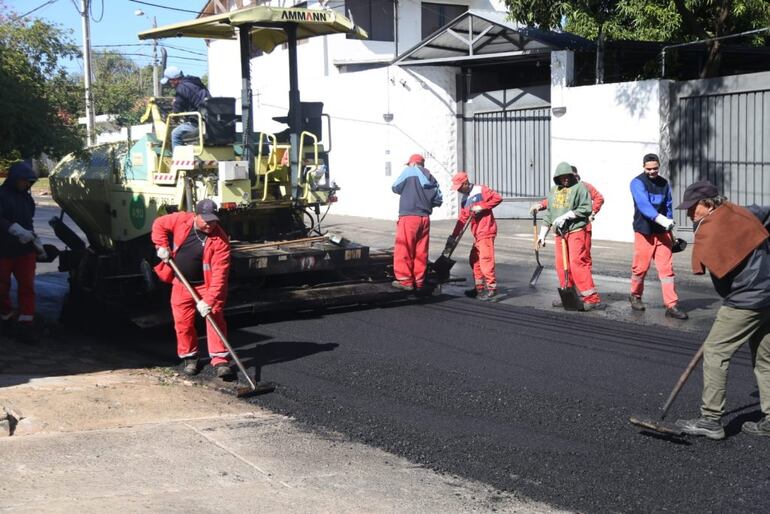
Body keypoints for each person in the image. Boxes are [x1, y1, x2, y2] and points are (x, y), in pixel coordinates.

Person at [674, 181, 770, 439]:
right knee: (765, 357)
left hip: (745, 299)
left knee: (716, 351)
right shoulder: (742, 212)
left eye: (692, 208)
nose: (689, 214)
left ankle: (711, 420)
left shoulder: (712, 230)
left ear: (707, 204)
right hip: (768, 294)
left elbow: (719, 276)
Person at [151, 199, 234, 379]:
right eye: (205, 220)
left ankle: (220, 360)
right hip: (182, 283)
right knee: (182, 322)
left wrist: (209, 300)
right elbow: (158, 224)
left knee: (214, 316)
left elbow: (220, 276)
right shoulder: (181, 220)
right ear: (195, 215)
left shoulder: (220, 240)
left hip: (208, 285)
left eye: (213, 220)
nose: (210, 224)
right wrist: (162, 246)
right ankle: (190, 357)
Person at [629, 153, 687, 319]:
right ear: (643, 167)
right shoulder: (637, 183)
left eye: (655, 168)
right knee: (640, 268)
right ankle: (635, 295)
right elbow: (643, 205)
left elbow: (668, 204)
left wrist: (669, 222)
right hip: (644, 231)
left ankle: (671, 305)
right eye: (649, 169)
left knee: (667, 270)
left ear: (659, 166)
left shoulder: (664, 183)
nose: (652, 171)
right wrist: (662, 220)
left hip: (662, 233)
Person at [537, 161, 602, 310]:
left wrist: (567, 216)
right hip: (560, 234)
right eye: (562, 177)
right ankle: (568, 295)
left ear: (572, 176)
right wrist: (542, 235)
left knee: (577, 263)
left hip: (575, 231)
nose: (565, 179)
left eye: (567, 176)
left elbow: (586, 208)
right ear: (557, 177)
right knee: (561, 266)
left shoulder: (580, 188)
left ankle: (591, 298)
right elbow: (549, 214)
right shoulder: (554, 191)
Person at [0, 161, 46, 343]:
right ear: (14, 179)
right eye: (24, 181)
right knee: (2, 286)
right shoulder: (2, 196)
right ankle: (6, 316)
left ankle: (26, 322)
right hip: (3, 249)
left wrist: (36, 242)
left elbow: (29, 223)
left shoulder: (27, 199)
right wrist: (12, 228)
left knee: (27, 286)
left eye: (30, 182)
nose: (27, 185)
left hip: (25, 250)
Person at [530, 165, 604, 271]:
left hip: (582, 225)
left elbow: (599, 198)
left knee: (582, 256)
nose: (568, 180)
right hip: (564, 227)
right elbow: (555, 202)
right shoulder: (562, 189)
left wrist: (592, 212)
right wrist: (540, 205)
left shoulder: (584, 186)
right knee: (566, 258)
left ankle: (583, 278)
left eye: (572, 177)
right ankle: (570, 283)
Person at [391, 153, 443, 291]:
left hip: (409, 217)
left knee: (404, 248)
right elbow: (438, 200)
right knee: (421, 250)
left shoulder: (409, 171)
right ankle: (419, 281)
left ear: (413, 163)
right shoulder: (430, 177)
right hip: (424, 218)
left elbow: (395, 187)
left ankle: (405, 281)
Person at [448, 171, 502, 300]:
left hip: (486, 230)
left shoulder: (481, 190)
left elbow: (498, 198)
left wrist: (482, 207)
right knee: (474, 260)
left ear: (466, 183)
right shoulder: (465, 199)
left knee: (485, 260)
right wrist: (453, 236)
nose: (459, 190)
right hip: (477, 233)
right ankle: (479, 288)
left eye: (460, 187)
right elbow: (462, 219)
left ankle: (492, 289)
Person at [161, 66, 211, 150]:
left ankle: (178, 161)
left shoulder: (181, 88)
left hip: (198, 122)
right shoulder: (196, 84)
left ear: (174, 79)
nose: (169, 84)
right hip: (210, 122)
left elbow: (177, 110)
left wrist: (173, 116)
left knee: (175, 134)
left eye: (169, 81)